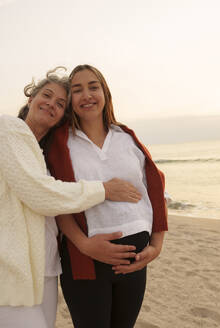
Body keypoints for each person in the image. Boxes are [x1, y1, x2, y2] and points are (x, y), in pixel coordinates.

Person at [0, 67, 143, 328]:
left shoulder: (43, 154)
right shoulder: (7, 128)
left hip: (44, 271)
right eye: (46, 95)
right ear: (31, 100)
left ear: (63, 115)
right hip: (6, 268)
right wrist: (103, 190)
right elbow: (40, 194)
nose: (51, 104)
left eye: (60, 103)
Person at [47, 64, 168, 328]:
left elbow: (156, 186)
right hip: (86, 259)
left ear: (105, 93)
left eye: (93, 86)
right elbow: (58, 201)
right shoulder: (61, 142)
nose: (86, 95)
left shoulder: (126, 137)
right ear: (69, 101)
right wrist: (84, 244)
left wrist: (157, 245)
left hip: (134, 262)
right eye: (77, 90)